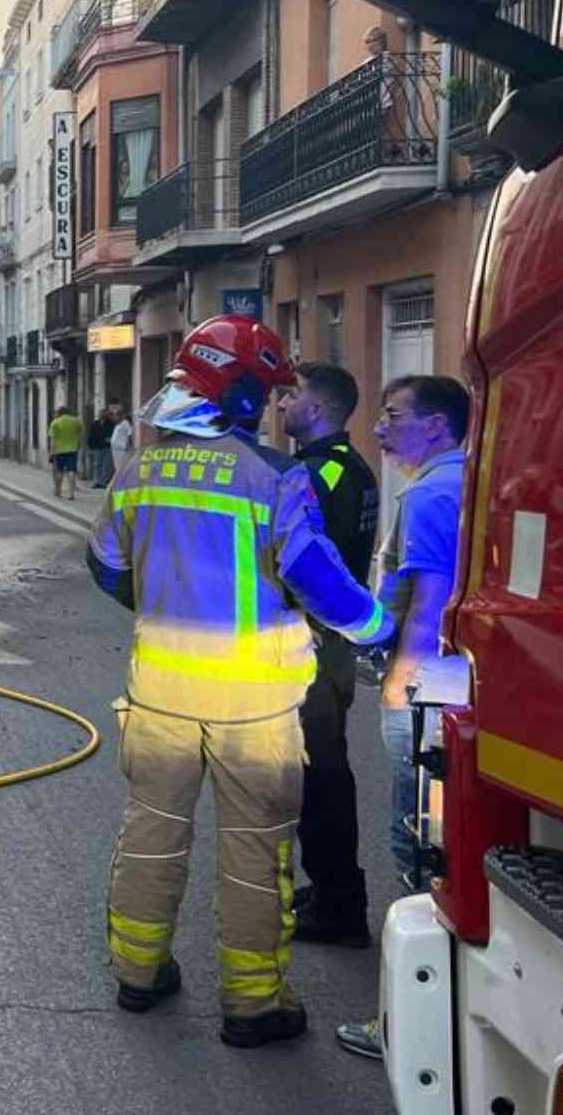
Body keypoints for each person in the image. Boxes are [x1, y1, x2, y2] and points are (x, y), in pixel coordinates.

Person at [87, 316, 393, 1049]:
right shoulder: (276, 478)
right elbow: (321, 582)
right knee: (255, 852)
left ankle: (139, 974)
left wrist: (160, 601)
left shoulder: (138, 473)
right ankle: (253, 1006)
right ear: (248, 392)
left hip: (159, 695)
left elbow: (104, 567)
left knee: (151, 836)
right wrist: (381, 628)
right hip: (253, 706)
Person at [336, 374, 470, 1060]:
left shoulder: (428, 493)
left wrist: (399, 685)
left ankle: (406, 1030)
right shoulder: (465, 478)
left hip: (429, 686)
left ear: (438, 426)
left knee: (417, 850)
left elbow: (428, 596)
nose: (381, 429)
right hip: (459, 679)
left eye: (395, 417)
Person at [277, 362, 382, 948]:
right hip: (331, 641)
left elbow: (303, 566)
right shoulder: (351, 467)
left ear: (316, 408)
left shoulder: (316, 475)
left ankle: (341, 905)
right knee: (322, 771)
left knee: (319, 778)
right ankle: (331, 886)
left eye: (290, 396)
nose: (280, 405)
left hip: (313, 643)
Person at [47, 403, 83, 499]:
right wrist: (78, 445)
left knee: (59, 471)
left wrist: (51, 452)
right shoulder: (76, 421)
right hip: (72, 449)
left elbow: (53, 440)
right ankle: (71, 493)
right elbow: (80, 434)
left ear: (59, 413)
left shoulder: (55, 423)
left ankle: (58, 491)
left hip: (59, 450)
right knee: (71, 471)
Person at [88, 403, 119, 487]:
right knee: (97, 465)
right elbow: (91, 435)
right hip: (97, 447)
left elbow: (113, 433)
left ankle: (104, 482)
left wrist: (110, 438)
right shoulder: (94, 424)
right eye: (100, 413)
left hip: (107, 447)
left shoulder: (111, 424)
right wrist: (90, 446)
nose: (102, 415)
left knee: (106, 465)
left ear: (106, 414)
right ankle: (97, 482)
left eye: (104, 413)